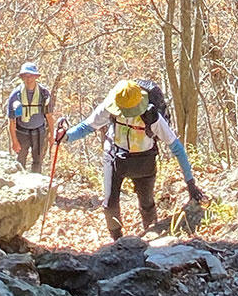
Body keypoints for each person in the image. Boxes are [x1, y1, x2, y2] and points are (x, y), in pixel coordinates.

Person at [56, 79, 205, 240]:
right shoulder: (110, 106)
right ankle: (117, 242)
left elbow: (176, 147)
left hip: (144, 161)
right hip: (115, 157)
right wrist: (66, 137)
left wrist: (190, 183)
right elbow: (87, 126)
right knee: (110, 204)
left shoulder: (151, 116)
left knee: (147, 203)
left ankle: (152, 236)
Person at [6, 61, 54, 173]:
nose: (28, 78)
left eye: (31, 75)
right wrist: (14, 140)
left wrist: (52, 134)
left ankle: (36, 184)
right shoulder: (16, 94)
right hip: (22, 132)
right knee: (20, 161)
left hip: (39, 132)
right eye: (25, 76)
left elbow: (49, 116)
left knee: (37, 160)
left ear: (36, 76)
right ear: (22, 77)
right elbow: (11, 120)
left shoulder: (44, 93)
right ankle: (19, 184)